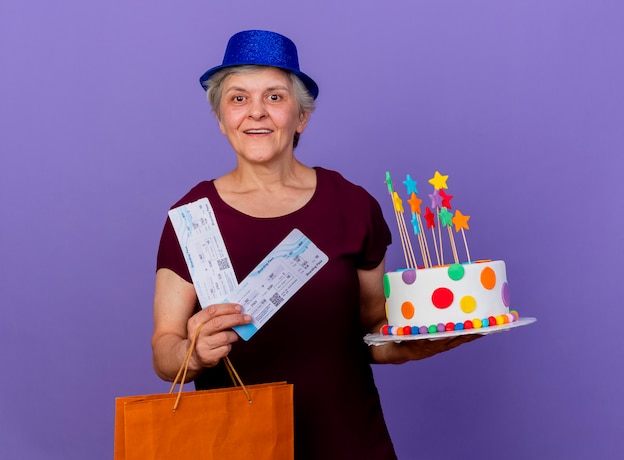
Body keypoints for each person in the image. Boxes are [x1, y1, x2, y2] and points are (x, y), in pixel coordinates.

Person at [152, 30, 476, 459]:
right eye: (237, 98)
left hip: (349, 441)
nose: (255, 113)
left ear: (301, 116)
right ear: (220, 118)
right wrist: (192, 354)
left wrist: (413, 344)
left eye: (274, 97)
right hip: (237, 446)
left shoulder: (352, 205)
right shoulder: (192, 218)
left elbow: (371, 331)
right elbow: (164, 351)